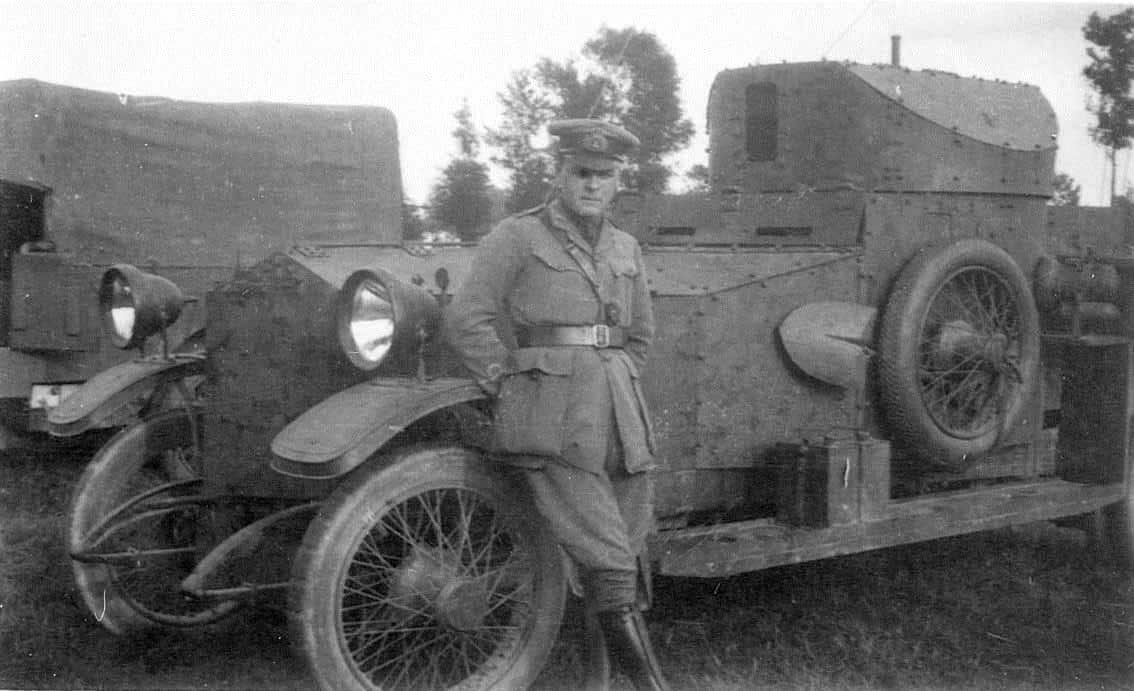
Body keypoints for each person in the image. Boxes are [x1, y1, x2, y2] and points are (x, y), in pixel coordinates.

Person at [444, 118, 670, 691]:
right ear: (559, 174)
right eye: (581, 173)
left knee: (625, 550)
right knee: (610, 556)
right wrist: (510, 384)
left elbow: (639, 334)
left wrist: (612, 376)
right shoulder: (517, 237)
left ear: (620, 182)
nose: (592, 184)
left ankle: (600, 682)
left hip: (621, 417)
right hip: (551, 419)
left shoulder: (626, 247)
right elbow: (466, 318)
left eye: (605, 175)